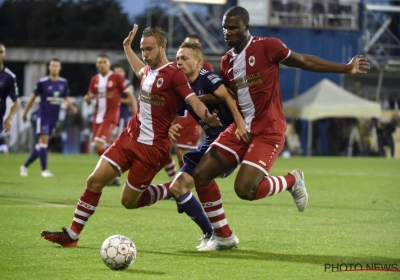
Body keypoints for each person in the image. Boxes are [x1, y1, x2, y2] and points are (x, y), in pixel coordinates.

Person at [192, 6, 370, 246]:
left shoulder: (268, 46)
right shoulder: (226, 62)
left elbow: (305, 61)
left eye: (233, 27)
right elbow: (230, 96)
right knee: (201, 175)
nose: (228, 32)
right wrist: (195, 100)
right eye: (225, 28)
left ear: (247, 28)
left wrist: (346, 67)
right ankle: (224, 237)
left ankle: (292, 180)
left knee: (244, 190)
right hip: (240, 128)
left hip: (269, 129)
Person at [40, 25, 221, 247]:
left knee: (128, 202)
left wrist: (208, 118)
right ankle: (72, 235)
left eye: (149, 49)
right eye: (143, 49)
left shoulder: (175, 74)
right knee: (94, 181)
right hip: (128, 138)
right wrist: (127, 47)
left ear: (162, 47)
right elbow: (138, 69)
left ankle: (171, 188)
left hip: (152, 148)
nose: (145, 54)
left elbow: (192, 100)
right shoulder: (147, 71)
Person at [157, 41, 250, 250]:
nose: (179, 61)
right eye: (177, 58)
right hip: (210, 142)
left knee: (200, 178)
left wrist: (240, 125)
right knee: (178, 187)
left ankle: (223, 235)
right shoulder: (182, 89)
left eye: (184, 58)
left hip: (228, 140)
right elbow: (172, 112)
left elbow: (227, 96)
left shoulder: (207, 77)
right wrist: (168, 127)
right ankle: (213, 234)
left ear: (199, 63)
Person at [20, 58, 77, 177]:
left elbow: (66, 98)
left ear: (60, 68)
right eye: (52, 66)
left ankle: (25, 166)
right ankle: (44, 170)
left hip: (54, 118)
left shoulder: (63, 83)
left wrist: (71, 107)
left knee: (41, 145)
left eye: (56, 66)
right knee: (44, 142)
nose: (54, 68)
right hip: (43, 116)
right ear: (49, 68)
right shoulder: (42, 82)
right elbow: (32, 98)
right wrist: (25, 113)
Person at [84, 55, 127, 159]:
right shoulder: (94, 80)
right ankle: (111, 170)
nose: (102, 64)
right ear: (97, 65)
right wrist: (88, 99)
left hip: (111, 116)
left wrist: (135, 112)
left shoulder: (116, 77)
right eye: (100, 62)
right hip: (98, 117)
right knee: (97, 146)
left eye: (104, 62)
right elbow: (90, 98)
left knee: (99, 144)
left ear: (109, 64)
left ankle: (111, 169)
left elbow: (129, 94)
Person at [107, 64, 138, 186]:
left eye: (120, 72)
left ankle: (115, 173)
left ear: (124, 74)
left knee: (114, 143)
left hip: (121, 117)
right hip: (110, 116)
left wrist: (116, 100)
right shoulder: (111, 82)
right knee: (109, 142)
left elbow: (131, 100)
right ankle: (112, 174)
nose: (118, 74)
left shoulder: (126, 84)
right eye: (116, 72)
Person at [0, 43, 20, 153]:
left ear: (4, 55)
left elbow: (17, 101)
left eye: (1, 52)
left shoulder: (10, 77)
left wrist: (10, 118)